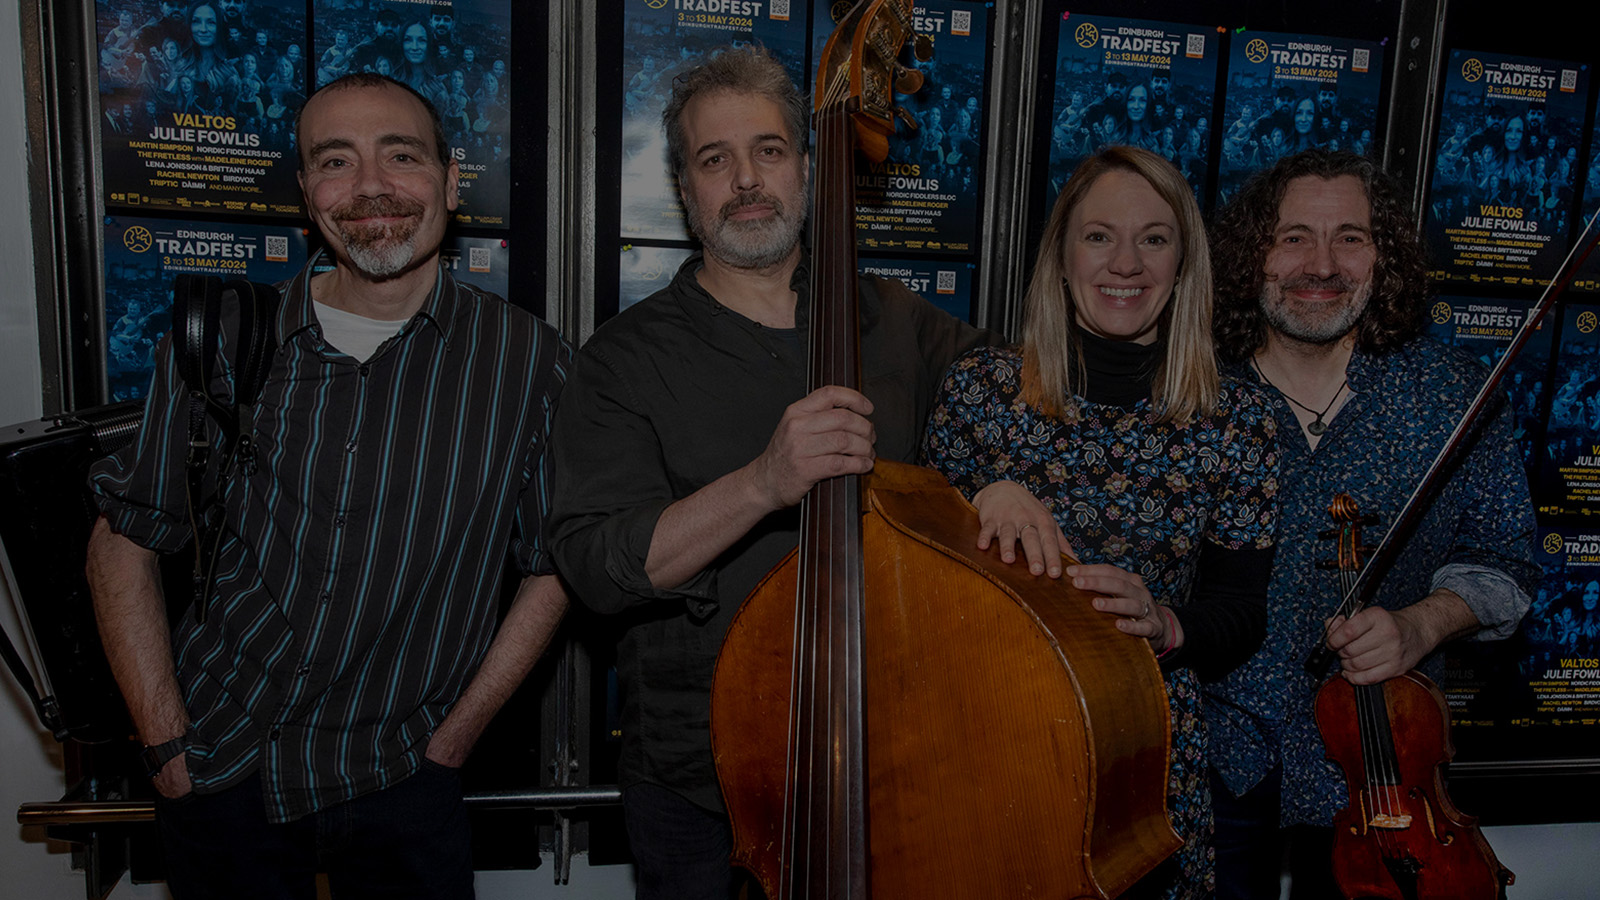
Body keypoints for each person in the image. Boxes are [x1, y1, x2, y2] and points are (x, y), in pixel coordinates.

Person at [86, 73, 571, 899]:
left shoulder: (527, 361)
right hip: (224, 766)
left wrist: (460, 733)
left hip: (406, 777)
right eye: (336, 160)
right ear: (307, 192)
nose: (371, 186)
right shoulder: (226, 338)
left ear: (452, 181)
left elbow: (554, 562)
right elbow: (123, 538)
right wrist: (165, 742)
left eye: (401, 155)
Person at [546, 45, 991, 900]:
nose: (746, 179)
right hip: (702, 786)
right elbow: (601, 568)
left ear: (809, 167)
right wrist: (761, 482)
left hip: (888, 755)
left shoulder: (895, 320)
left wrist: (1000, 480)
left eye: (769, 151)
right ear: (686, 191)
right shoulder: (623, 358)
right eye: (716, 160)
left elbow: (1019, 405)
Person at [921, 146, 1278, 900]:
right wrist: (980, 497)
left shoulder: (1237, 418)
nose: (1126, 263)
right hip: (985, 751)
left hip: (1143, 764)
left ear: (1183, 264)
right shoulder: (982, 391)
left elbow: (1242, 610)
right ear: (1060, 257)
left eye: (1154, 238)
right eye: (1098, 236)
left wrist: (1167, 624)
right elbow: (912, 585)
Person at [1204, 150, 1538, 900]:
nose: (1320, 264)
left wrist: (1421, 625)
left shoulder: (1450, 391)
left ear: (1382, 257)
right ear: (1252, 253)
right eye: (1293, 236)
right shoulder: (1194, 386)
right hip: (1215, 753)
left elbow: (1507, 570)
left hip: (1382, 767)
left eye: (1349, 237)